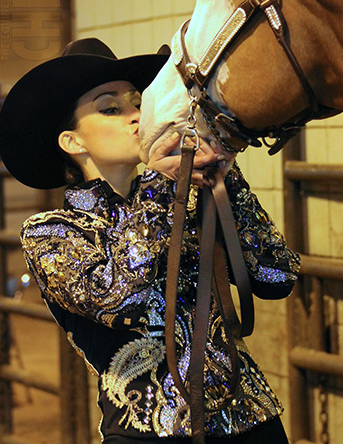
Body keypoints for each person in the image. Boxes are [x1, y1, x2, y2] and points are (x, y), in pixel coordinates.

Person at [0, 38, 300, 443]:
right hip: (148, 432)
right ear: (73, 142)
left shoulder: (186, 198)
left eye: (138, 103)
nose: (136, 116)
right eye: (111, 108)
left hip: (252, 422)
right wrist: (166, 177)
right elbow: (123, 296)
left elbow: (276, 276)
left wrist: (223, 172)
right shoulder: (49, 232)